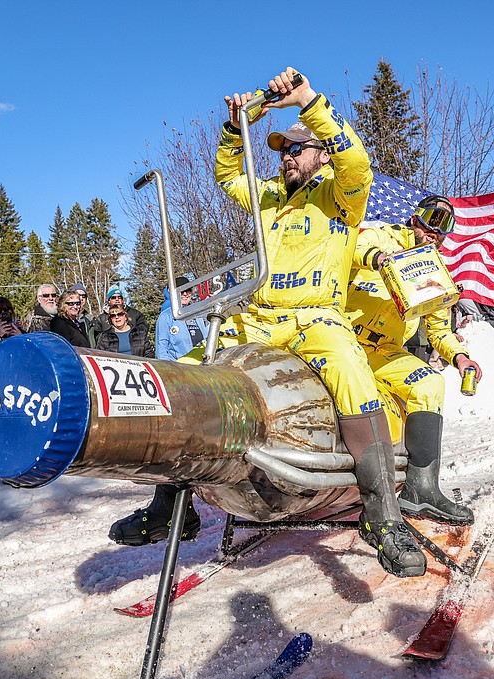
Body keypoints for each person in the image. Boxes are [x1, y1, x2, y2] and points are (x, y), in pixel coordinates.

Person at [110, 67, 426, 578]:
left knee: (352, 374)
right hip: (258, 319)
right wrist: (237, 127)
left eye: (297, 148)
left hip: (315, 319)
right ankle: (171, 508)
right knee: (185, 373)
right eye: (281, 149)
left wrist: (308, 101)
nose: (286, 157)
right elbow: (227, 176)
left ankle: (382, 515)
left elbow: (358, 163)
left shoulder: (341, 196)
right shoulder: (271, 197)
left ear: (320, 151)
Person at [349, 195, 483, 525]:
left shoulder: (436, 273)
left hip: (386, 351)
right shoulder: (384, 237)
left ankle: (420, 489)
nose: (436, 230)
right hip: (346, 338)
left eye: (445, 225)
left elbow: (439, 330)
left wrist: (461, 357)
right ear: (415, 218)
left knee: (430, 383)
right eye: (431, 218)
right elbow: (346, 247)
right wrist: (379, 259)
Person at [155, 277, 209, 361]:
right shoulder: (166, 316)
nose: (185, 294)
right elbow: (162, 349)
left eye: (188, 290)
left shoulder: (199, 314)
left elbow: (208, 338)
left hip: (202, 367)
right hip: (180, 369)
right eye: (181, 291)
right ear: (174, 293)